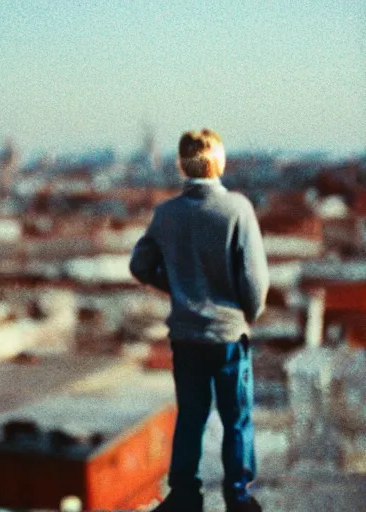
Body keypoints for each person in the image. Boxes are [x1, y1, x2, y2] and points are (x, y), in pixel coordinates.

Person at [129, 129, 269, 512]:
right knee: (236, 419)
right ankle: (237, 498)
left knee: (191, 416)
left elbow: (139, 264)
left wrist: (176, 288)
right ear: (218, 161)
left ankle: (186, 497)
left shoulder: (167, 213)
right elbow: (255, 279)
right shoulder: (237, 208)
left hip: (187, 336)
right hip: (227, 334)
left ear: (181, 164)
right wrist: (247, 314)